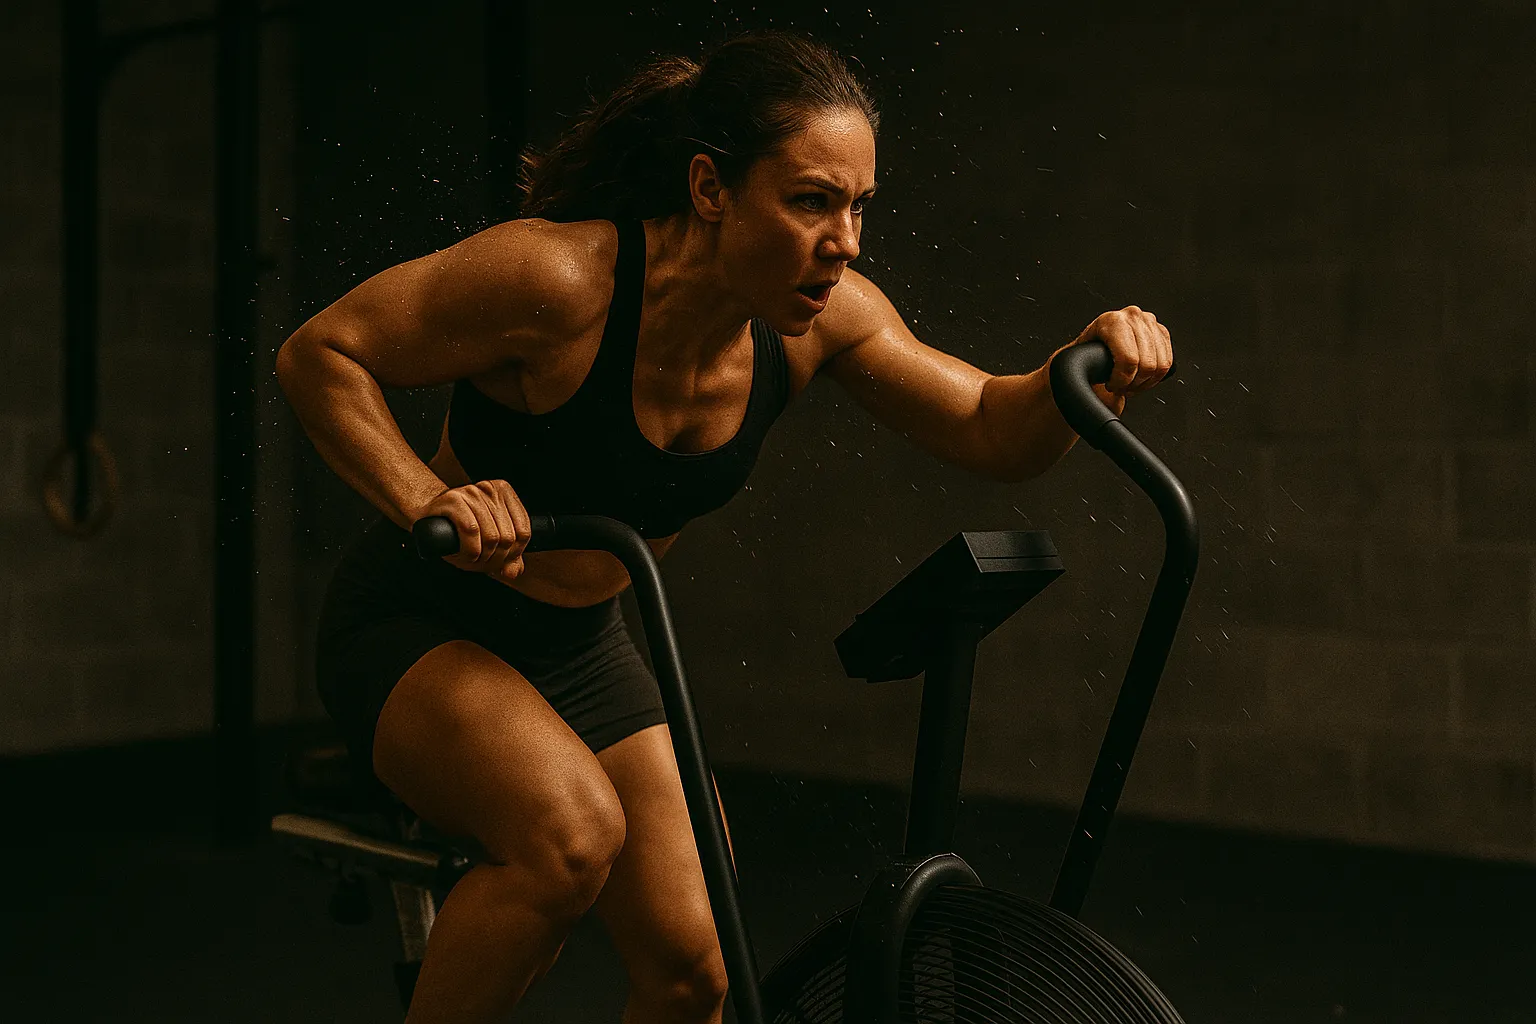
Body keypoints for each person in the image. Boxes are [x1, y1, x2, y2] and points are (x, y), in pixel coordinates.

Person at [276, 28, 1172, 1024]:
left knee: (699, 961)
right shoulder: (556, 283)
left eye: (858, 206)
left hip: (582, 646)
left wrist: (1084, 363)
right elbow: (321, 355)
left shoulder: (821, 322)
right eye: (810, 201)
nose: (846, 242)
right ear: (710, 189)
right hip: (425, 618)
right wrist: (423, 497)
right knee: (569, 838)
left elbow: (992, 427)